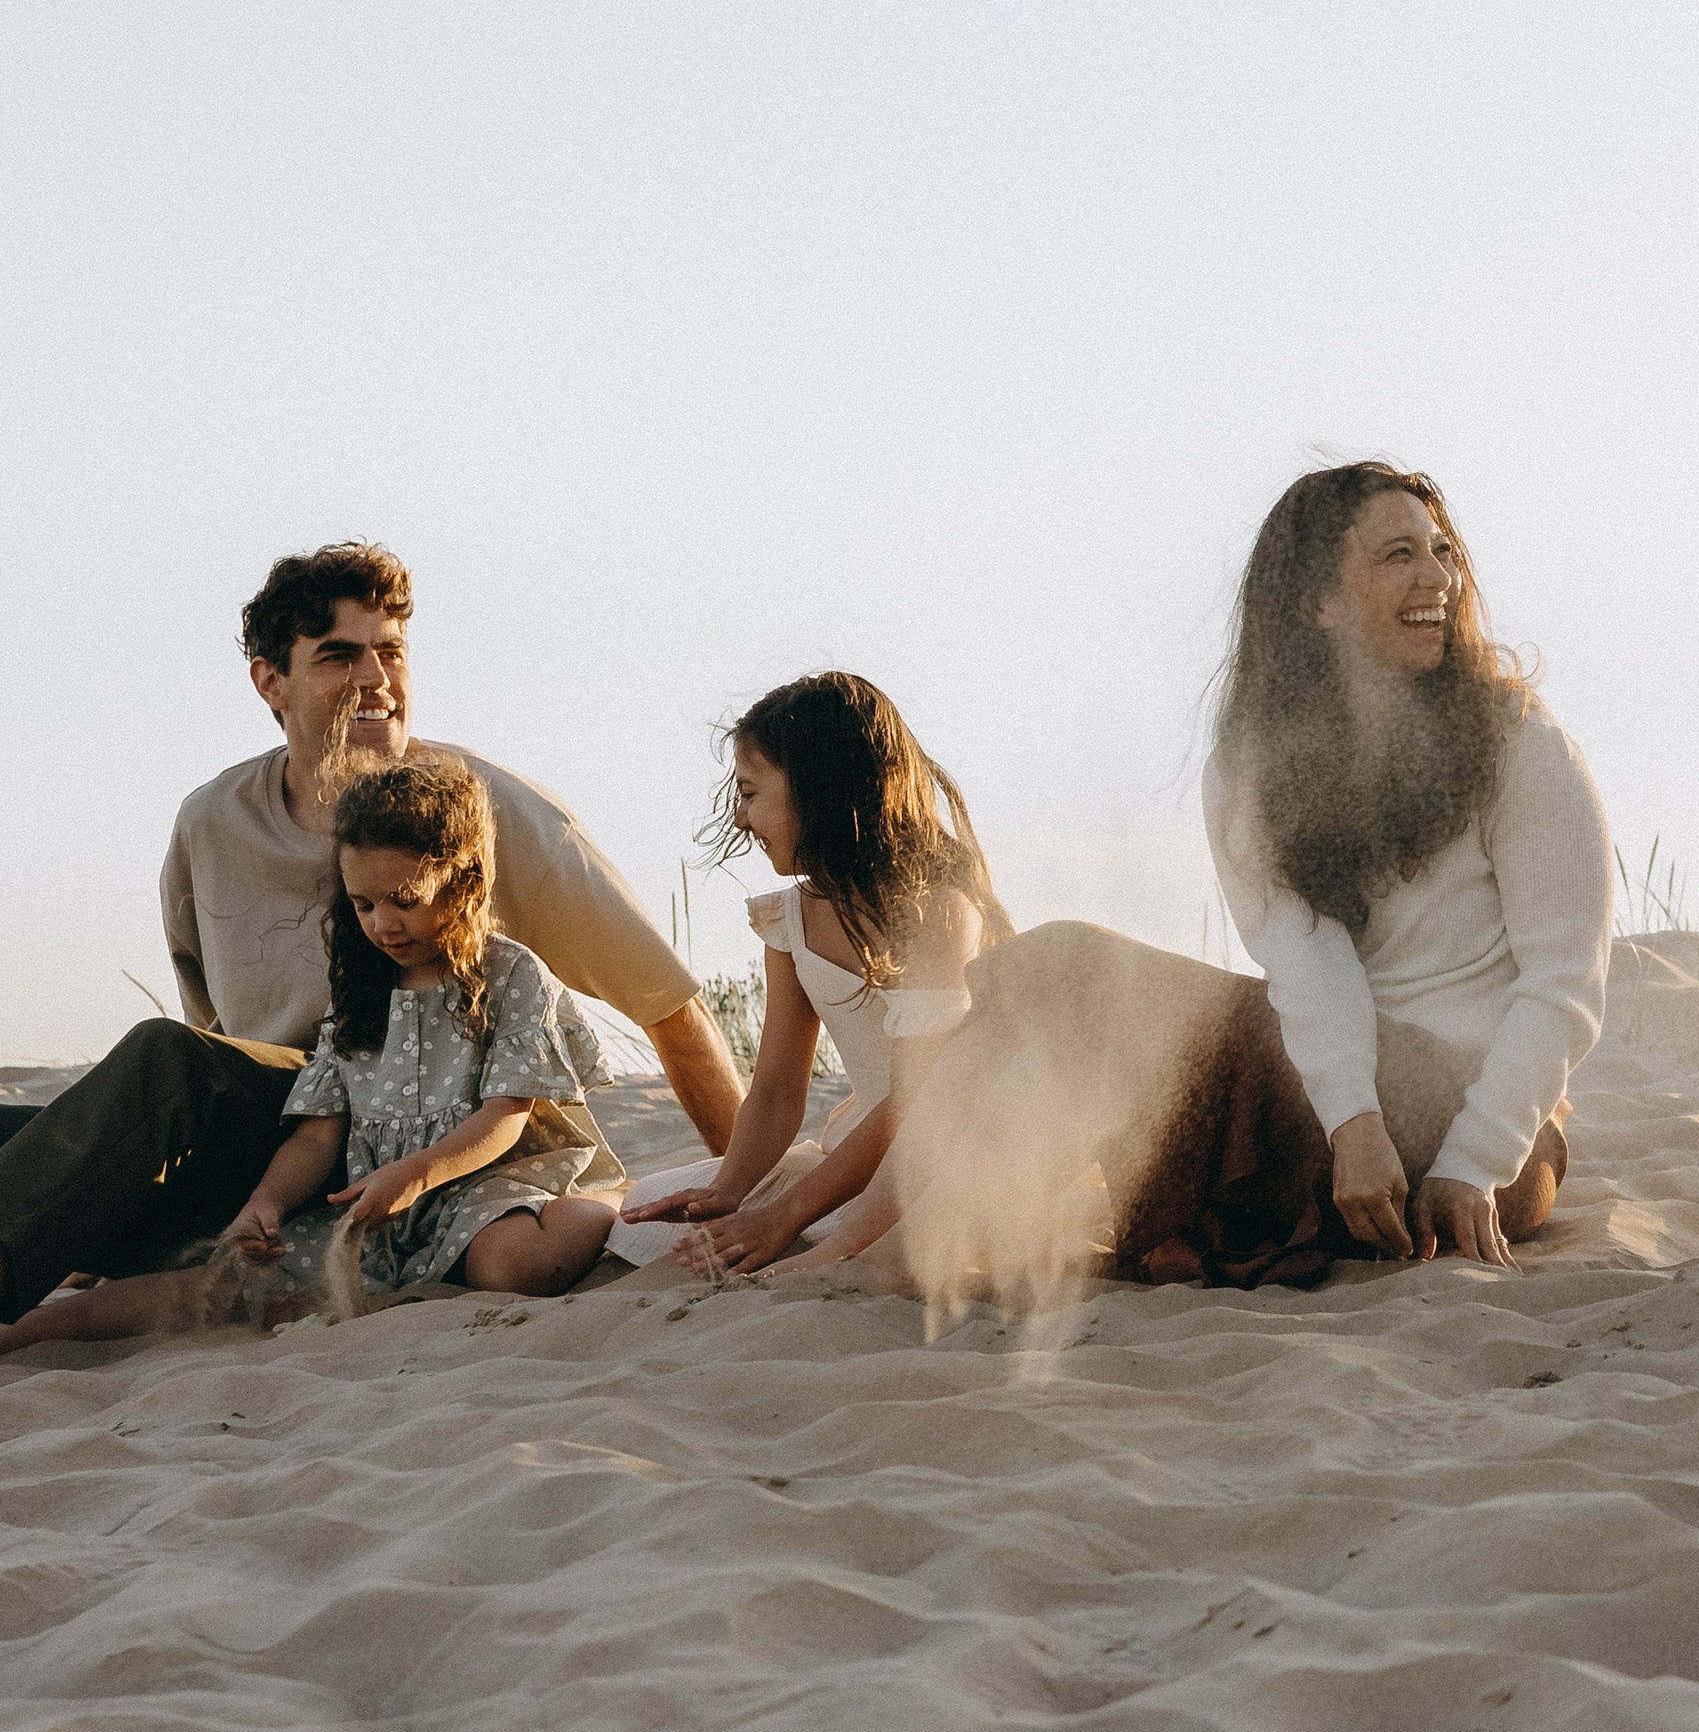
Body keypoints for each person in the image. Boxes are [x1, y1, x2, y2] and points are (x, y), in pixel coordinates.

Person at [766, 460, 1613, 1300]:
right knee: (1042, 975)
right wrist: (1355, 1124)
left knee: (1062, 962)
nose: (1438, 577)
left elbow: (1563, 988)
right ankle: (902, 1244)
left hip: (1483, 1142)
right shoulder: (1254, 769)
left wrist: (1474, 1160)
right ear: (1317, 602)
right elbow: (1309, 968)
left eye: (1440, 551)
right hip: (1337, 1114)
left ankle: (896, 1249)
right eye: (1399, 555)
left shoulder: (1519, 743)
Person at [0, 543, 741, 1321]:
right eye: (339, 656)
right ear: (269, 681)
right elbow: (211, 1036)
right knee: (35, 1132)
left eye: (390, 652)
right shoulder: (212, 822)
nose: (376, 680)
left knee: (163, 1059)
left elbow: (669, 1006)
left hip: (409, 1146)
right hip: (277, 1151)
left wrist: (742, 1192)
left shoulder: (482, 810)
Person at [1, 758, 621, 1349]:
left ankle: (608, 1205)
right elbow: (317, 1139)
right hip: (376, 1206)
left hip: (489, 1182)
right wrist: (263, 1205)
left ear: (463, 881)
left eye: (405, 899)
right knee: (216, 1287)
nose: (384, 924)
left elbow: (506, 1114)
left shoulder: (511, 974)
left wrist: (416, 1174)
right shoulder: (361, 992)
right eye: (364, 904)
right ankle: (21, 1332)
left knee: (511, 1265)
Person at [611, 672, 1001, 1277]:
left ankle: (836, 1245)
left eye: (751, 793)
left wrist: (784, 1216)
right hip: (865, 1156)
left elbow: (913, 1102)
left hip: (957, 1149)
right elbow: (774, 1090)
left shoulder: (939, 915)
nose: (740, 819)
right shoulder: (791, 922)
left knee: (897, 1228)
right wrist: (732, 1188)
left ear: (822, 791)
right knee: (639, 1212)